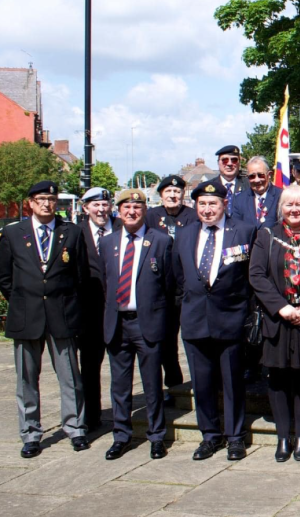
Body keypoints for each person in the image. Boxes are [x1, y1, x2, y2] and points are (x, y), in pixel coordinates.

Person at [0, 180, 91, 457]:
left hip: (61, 314)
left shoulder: (72, 233)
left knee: (69, 377)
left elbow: (80, 276)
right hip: (26, 315)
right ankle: (30, 433)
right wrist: (23, 299)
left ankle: (75, 428)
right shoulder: (13, 234)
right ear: (30, 203)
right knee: (26, 379)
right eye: (40, 199)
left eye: (51, 200)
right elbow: (4, 277)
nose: (46, 204)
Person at [173, 180, 256, 461]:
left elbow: (250, 276)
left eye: (213, 204)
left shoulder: (244, 231)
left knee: (233, 382)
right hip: (195, 320)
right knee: (202, 382)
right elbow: (178, 278)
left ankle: (235, 438)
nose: (207, 209)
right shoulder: (184, 234)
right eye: (202, 204)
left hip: (230, 319)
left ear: (224, 204)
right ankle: (210, 436)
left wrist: (246, 314)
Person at [98, 189, 176, 460]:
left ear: (145, 211)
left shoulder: (161, 241)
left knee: (153, 384)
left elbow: (169, 285)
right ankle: (121, 435)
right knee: (119, 385)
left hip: (148, 323)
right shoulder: (108, 243)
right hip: (118, 323)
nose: (131, 212)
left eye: (137, 207)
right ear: (117, 212)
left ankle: (156, 436)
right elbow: (104, 284)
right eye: (126, 207)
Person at [249, 184, 300, 463]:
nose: (294, 209)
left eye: (299, 205)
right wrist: (281, 308)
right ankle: (282, 437)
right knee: (278, 380)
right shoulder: (266, 237)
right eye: (288, 205)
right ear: (281, 208)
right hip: (276, 322)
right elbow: (256, 275)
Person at [145, 174, 194, 400]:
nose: (173, 195)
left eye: (177, 192)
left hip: (188, 286)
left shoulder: (192, 216)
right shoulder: (151, 217)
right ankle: (173, 385)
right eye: (168, 192)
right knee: (166, 341)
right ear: (161, 195)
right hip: (162, 289)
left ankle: (198, 383)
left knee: (193, 338)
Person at [78, 186, 121, 431]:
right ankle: (91, 417)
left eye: (105, 205)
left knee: (120, 370)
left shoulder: (122, 229)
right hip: (90, 315)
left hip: (119, 312)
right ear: (86, 208)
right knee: (90, 370)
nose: (101, 209)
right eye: (96, 205)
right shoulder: (76, 234)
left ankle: (121, 419)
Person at [231, 156, 282, 230]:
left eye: (261, 175)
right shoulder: (239, 200)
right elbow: (236, 228)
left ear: (269, 175)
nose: (257, 180)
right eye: (252, 176)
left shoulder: (281, 196)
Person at [214, 145, 249, 212]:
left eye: (234, 160)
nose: (229, 163)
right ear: (218, 163)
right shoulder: (210, 186)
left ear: (239, 163)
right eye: (225, 160)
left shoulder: (249, 185)